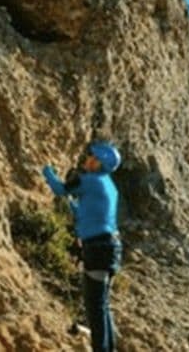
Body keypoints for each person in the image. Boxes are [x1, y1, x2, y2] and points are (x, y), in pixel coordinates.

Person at [42, 141, 123, 352]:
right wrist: (72, 205)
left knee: (94, 307)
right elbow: (89, 213)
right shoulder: (108, 185)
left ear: (98, 162)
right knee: (102, 304)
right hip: (110, 247)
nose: (87, 159)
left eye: (91, 157)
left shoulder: (88, 180)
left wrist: (46, 170)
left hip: (98, 248)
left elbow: (59, 189)